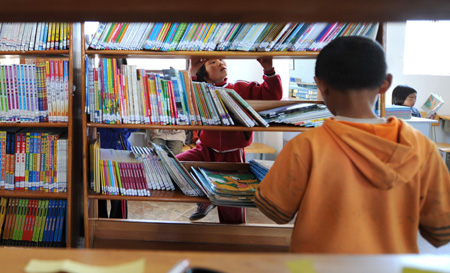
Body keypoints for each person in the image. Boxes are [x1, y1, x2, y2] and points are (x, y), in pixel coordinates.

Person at [255, 36, 450, 253]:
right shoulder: (421, 146)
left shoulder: (304, 145)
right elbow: (441, 230)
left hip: (316, 267)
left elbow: (275, 210)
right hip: (390, 268)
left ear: (320, 84)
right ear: (385, 83)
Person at [177, 58, 283, 223]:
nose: (220, 63)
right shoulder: (199, 90)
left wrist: (268, 69)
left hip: (232, 155)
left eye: (221, 60)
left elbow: (273, 95)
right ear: (204, 74)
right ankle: (206, 196)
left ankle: (235, 237)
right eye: (213, 62)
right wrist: (192, 71)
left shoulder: (239, 88)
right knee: (174, 166)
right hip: (204, 151)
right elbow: (184, 98)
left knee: (232, 208)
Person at [97, 128, 138, 218]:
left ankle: (117, 228)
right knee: (98, 196)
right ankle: (100, 228)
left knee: (119, 198)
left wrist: (122, 127)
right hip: (99, 149)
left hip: (120, 150)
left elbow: (136, 126)